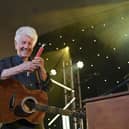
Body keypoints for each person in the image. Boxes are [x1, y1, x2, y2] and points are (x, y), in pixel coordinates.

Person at [0, 26, 51, 129]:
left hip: (34, 121)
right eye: (23, 42)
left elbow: (47, 89)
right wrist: (21, 67)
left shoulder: (37, 66)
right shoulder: (6, 62)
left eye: (30, 43)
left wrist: (42, 70)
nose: (26, 46)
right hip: (11, 121)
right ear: (16, 44)